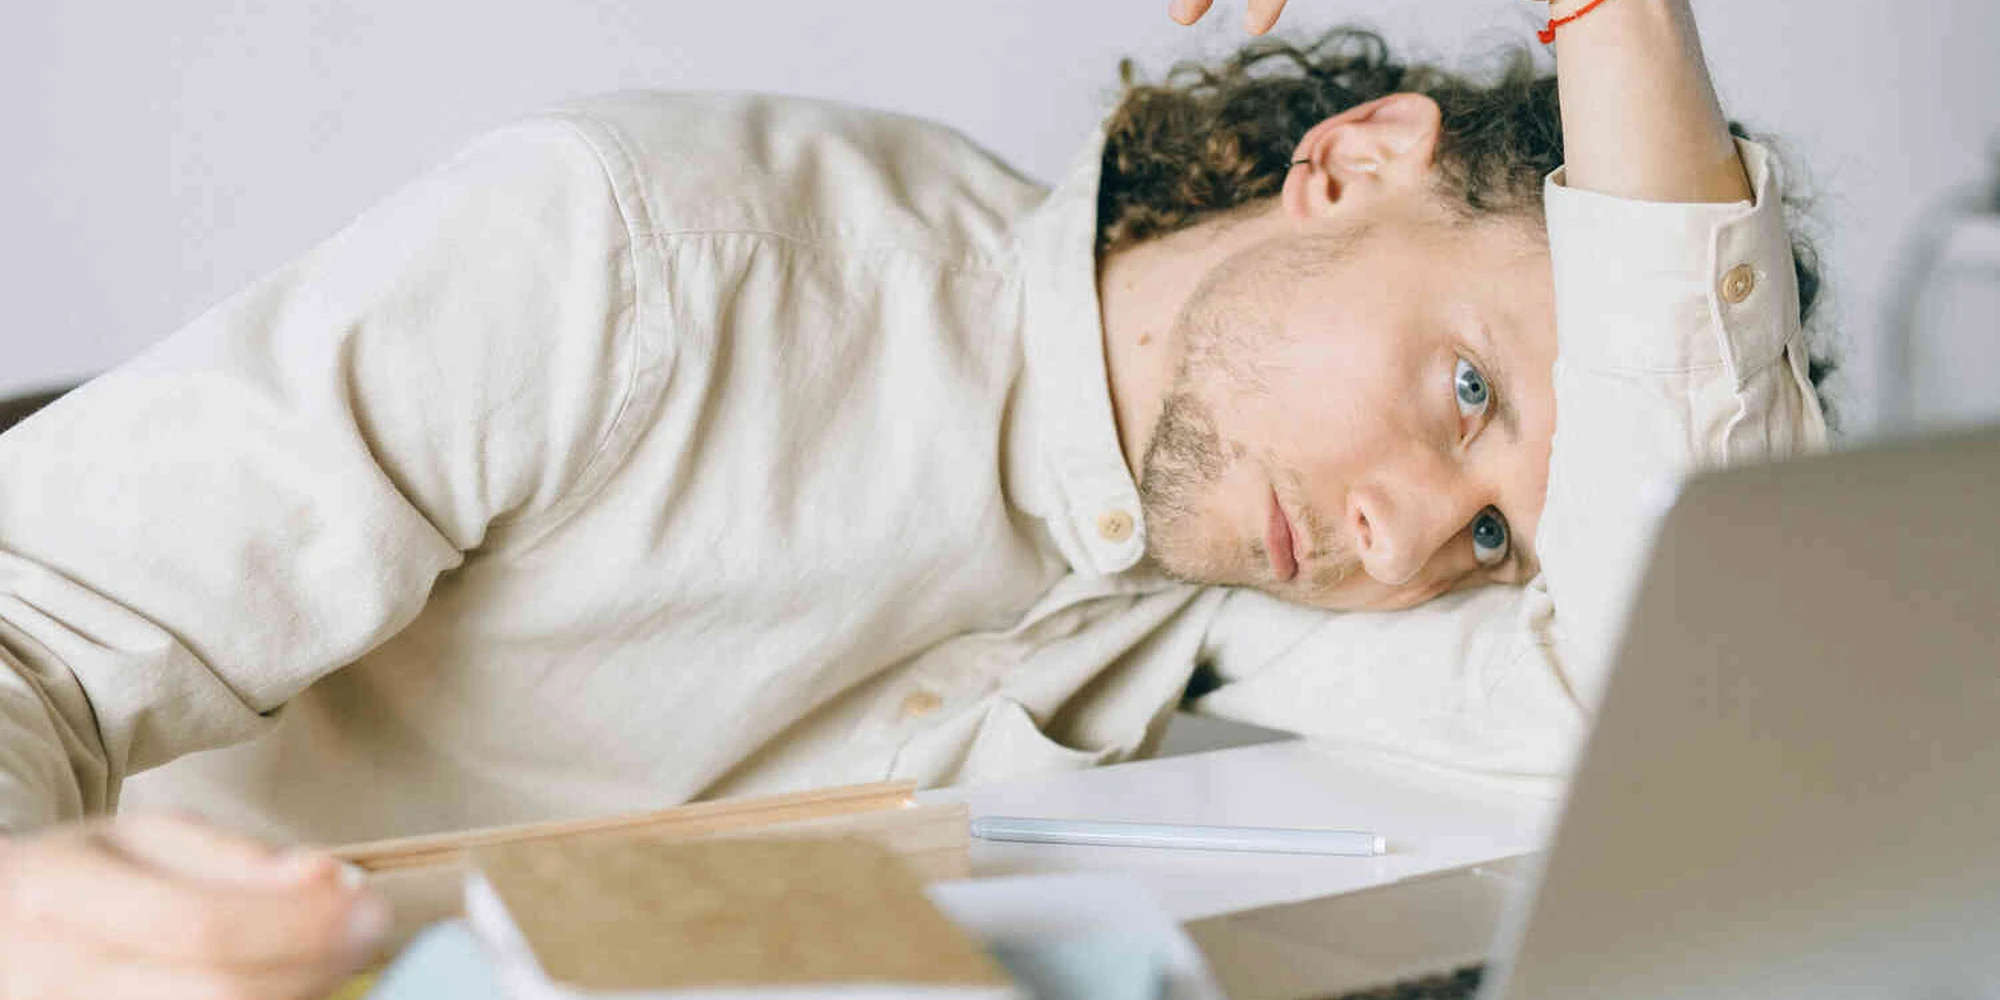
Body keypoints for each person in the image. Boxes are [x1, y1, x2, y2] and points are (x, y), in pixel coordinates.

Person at [0, 0, 1827, 995]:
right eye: (1469, 391)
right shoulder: (642, 259)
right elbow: (32, 625)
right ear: (1349, 166)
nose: (1414, 537)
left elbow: (1689, 720)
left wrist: (1627, 25)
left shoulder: (1220, 579)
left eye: (1498, 531)